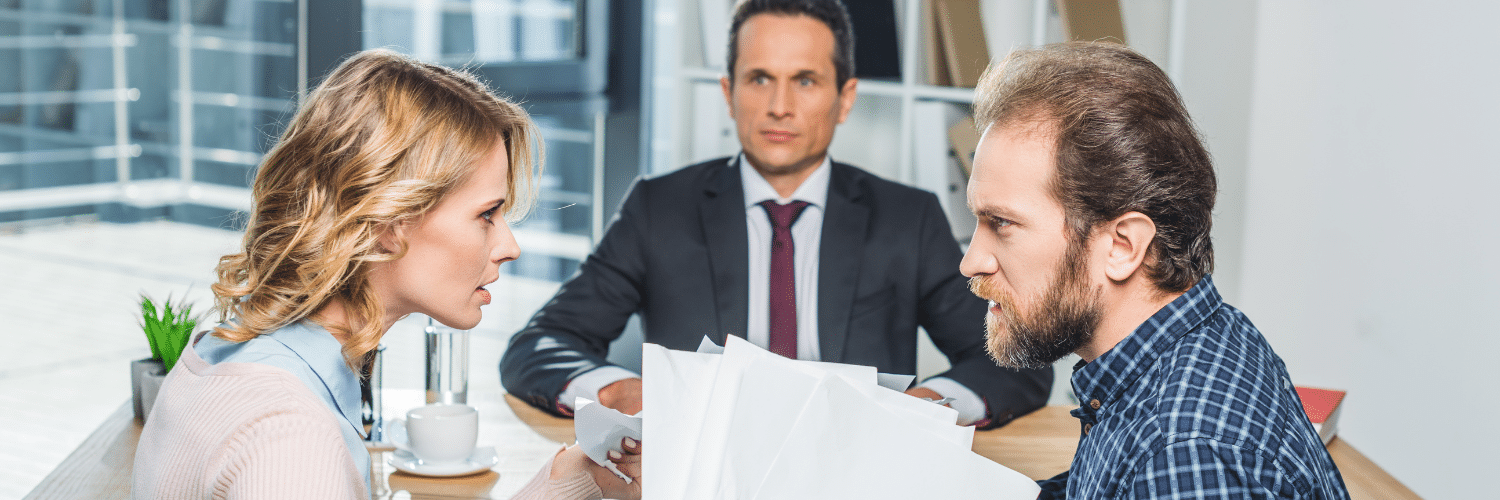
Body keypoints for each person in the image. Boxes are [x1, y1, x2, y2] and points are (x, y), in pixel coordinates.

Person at [500, 0, 1051, 427]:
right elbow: (540, 345)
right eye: (759, 78)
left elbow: (1016, 364)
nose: (779, 106)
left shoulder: (906, 218)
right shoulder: (659, 209)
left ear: (845, 98)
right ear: (728, 91)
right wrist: (617, 390)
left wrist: (925, 406)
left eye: (805, 81)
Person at [132, 49, 641, 500]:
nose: (510, 247)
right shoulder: (291, 437)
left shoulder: (230, 354)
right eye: (486, 215)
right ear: (386, 224)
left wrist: (581, 476)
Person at [960, 41, 1350, 499]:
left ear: (1123, 246)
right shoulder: (1191, 343)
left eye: (1001, 223)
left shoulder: (1185, 454)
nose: (971, 262)